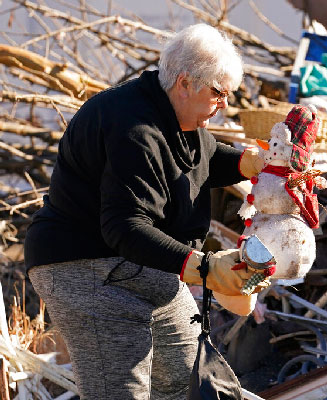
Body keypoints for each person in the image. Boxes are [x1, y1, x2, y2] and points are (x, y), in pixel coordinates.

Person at [24, 23, 266, 399]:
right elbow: (125, 226)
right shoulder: (133, 126)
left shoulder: (173, 112)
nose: (224, 106)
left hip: (143, 266)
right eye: (219, 94)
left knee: (190, 383)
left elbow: (198, 156)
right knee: (122, 392)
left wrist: (251, 164)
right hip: (87, 270)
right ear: (185, 82)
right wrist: (205, 269)